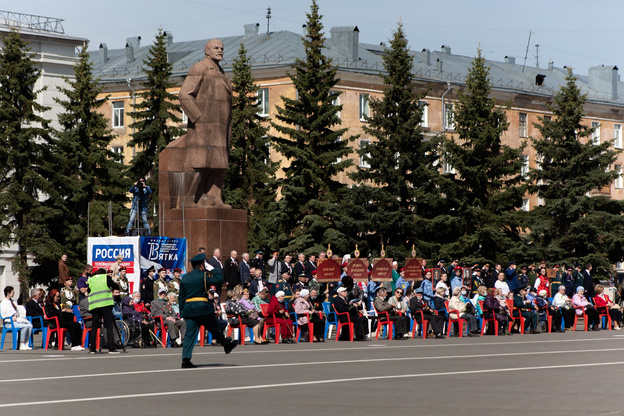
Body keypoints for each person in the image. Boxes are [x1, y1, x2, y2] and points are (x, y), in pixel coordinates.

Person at [179, 253, 237, 368]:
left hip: (189, 310)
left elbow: (181, 296)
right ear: (202, 266)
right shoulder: (203, 276)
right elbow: (219, 280)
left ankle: (185, 360)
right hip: (202, 308)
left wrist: (182, 312)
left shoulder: (185, 278)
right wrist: (214, 269)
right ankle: (226, 345)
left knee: (190, 335)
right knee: (215, 328)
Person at [88, 268, 121, 354]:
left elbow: (88, 291)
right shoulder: (105, 277)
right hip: (105, 304)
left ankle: (92, 349)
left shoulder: (91, 279)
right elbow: (116, 287)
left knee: (94, 327)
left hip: (94, 306)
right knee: (109, 326)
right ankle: (111, 348)